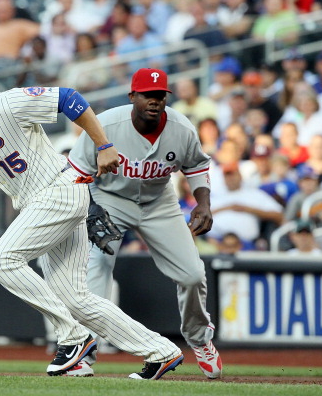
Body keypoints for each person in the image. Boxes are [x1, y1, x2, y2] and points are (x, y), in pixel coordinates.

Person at [0, 59, 184, 379]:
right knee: (76, 299)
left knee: (1, 260)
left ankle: (73, 338)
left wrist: (104, 144)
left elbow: (69, 98)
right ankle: (161, 351)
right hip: (38, 204)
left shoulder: (8, 103)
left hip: (60, 187)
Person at [67, 68, 222, 380]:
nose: (155, 100)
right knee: (95, 268)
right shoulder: (105, 124)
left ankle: (200, 339)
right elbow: (75, 172)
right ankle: (84, 352)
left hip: (158, 201)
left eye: (160, 95)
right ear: (132, 97)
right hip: (109, 197)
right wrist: (91, 207)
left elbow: (197, 165)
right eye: (148, 95)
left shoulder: (180, 127)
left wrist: (203, 203)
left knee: (192, 274)